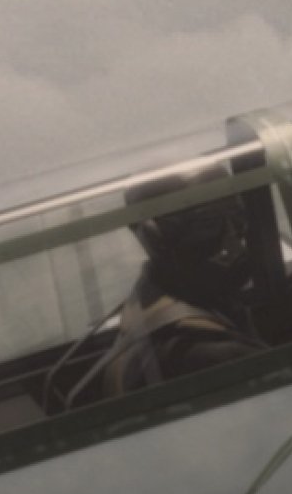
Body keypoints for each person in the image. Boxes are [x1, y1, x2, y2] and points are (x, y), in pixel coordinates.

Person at [99, 169, 266, 397]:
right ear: (154, 237)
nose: (235, 244)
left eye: (237, 218)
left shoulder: (147, 301)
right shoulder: (217, 357)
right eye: (208, 225)